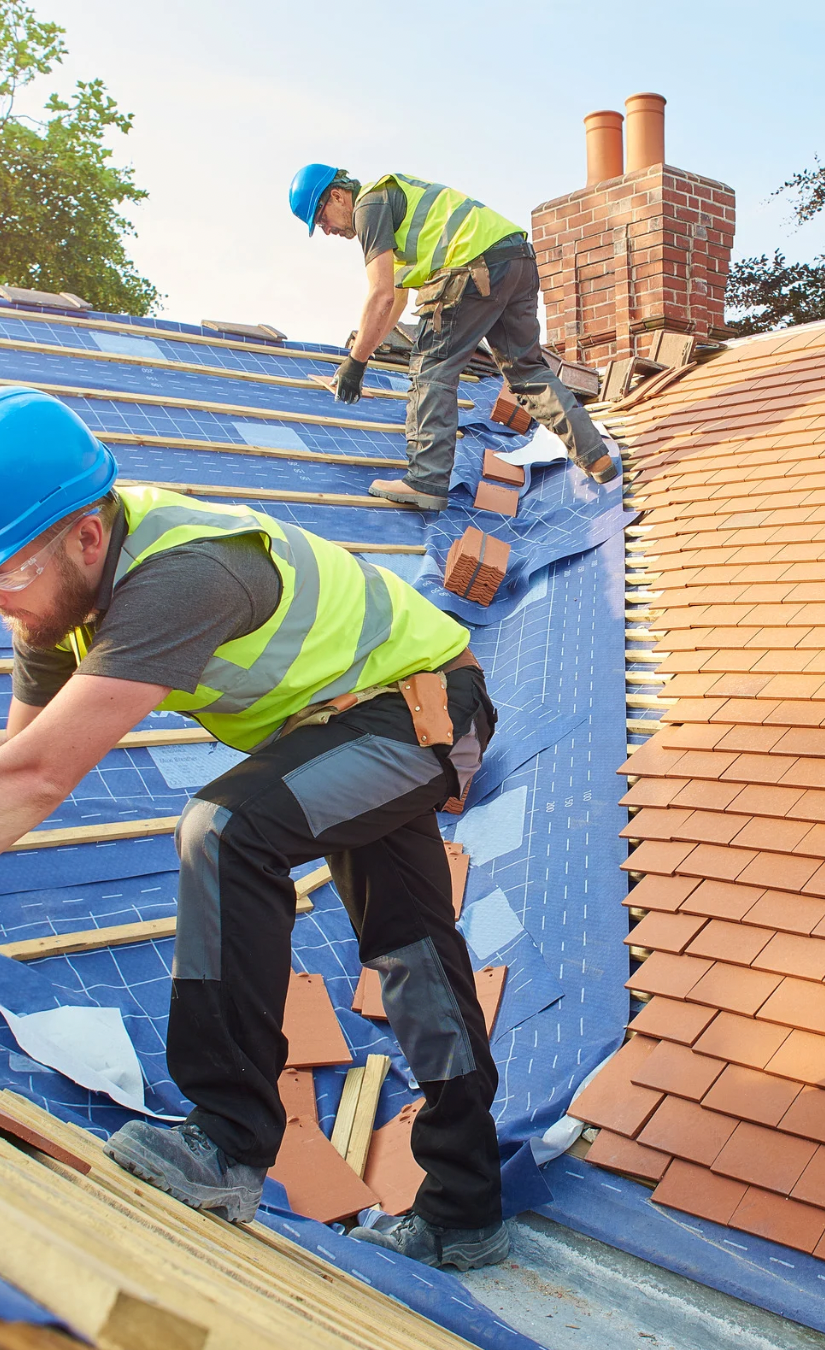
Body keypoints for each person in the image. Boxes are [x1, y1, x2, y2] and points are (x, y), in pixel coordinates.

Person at [0, 387, 509, 1270]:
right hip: (336, 728)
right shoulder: (52, 604)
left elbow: (38, 779)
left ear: (87, 535)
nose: (2, 600)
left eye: (6, 573)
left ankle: (226, 1141)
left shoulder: (184, 574)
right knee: (413, 951)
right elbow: (18, 774)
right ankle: (466, 1205)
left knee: (226, 830)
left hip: (422, 708)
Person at [289, 163, 617, 511]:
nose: (326, 230)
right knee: (527, 372)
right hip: (516, 260)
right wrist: (363, 357)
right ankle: (596, 457)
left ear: (338, 196)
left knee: (431, 368)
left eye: (322, 218)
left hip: (473, 267)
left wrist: (353, 363)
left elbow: (380, 293)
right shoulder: (395, 208)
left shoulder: (369, 206)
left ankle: (425, 480)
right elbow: (395, 300)